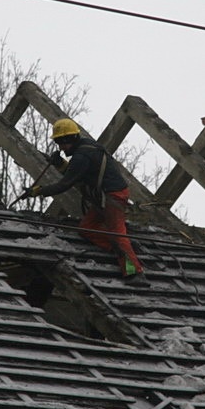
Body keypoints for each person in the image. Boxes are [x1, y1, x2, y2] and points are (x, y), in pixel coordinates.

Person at [24, 118, 149, 286]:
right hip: (104, 196)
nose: (60, 147)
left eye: (62, 142)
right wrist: (60, 164)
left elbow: (65, 184)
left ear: (71, 139)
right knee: (87, 229)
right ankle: (123, 249)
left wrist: (39, 191)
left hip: (113, 196)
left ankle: (135, 272)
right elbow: (76, 173)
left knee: (116, 233)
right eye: (58, 143)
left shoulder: (82, 155)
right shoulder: (85, 149)